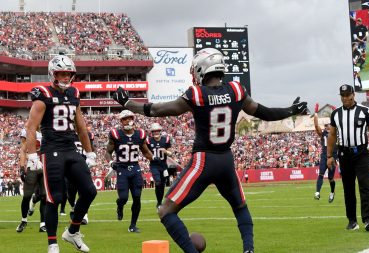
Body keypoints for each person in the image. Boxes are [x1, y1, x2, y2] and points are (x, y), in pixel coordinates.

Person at [112, 47, 309, 253]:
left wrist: (127, 103)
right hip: (226, 160)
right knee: (240, 207)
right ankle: (249, 250)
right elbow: (264, 112)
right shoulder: (236, 90)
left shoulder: (197, 94)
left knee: (165, 211)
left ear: (201, 69)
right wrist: (290, 110)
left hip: (203, 161)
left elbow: (157, 110)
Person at [26, 55, 97, 253]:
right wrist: (32, 155)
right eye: (61, 73)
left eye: (68, 73)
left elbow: (81, 126)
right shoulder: (43, 94)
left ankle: (72, 232)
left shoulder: (74, 92)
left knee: (90, 191)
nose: (65, 77)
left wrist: (89, 152)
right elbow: (31, 126)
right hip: (51, 150)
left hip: (71, 149)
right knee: (54, 198)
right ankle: (52, 244)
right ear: (52, 74)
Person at [326, 84, 369, 232]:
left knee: (364, 186)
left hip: (361, 152)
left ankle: (368, 219)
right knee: (348, 188)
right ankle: (352, 221)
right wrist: (330, 155)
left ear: (353, 94)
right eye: (343, 96)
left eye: (348, 95)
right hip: (344, 154)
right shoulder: (336, 114)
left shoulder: (365, 111)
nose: (345, 98)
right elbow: (332, 135)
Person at [105, 110, 154, 233]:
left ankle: (132, 225)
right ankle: (119, 206)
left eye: (130, 118)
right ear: (121, 121)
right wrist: (111, 163)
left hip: (135, 169)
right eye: (125, 118)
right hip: (122, 169)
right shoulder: (116, 134)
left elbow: (146, 151)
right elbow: (108, 152)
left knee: (137, 197)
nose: (128, 120)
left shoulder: (140, 134)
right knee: (123, 198)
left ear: (133, 119)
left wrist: (155, 159)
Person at [16, 127, 47, 233]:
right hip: (32, 166)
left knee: (44, 196)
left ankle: (43, 224)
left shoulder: (47, 128)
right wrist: (21, 168)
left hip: (44, 165)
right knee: (27, 196)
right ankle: (24, 220)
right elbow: (23, 150)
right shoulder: (27, 130)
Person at [313, 106, 337, 203]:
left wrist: (336, 111)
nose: (326, 126)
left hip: (333, 157)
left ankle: (332, 192)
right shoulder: (323, 134)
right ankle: (317, 192)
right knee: (321, 174)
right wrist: (315, 113)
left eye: (328, 124)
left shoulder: (336, 133)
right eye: (326, 125)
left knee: (331, 178)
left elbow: (340, 122)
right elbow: (316, 126)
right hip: (324, 156)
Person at [146, 122, 173, 209]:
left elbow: (170, 153)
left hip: (163, 166)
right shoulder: (148, 141)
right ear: (152, 132)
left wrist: (165, 151)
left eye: (157, 131)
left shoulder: (166, 139)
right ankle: (159, 202)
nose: (156, 133)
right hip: (154, 165)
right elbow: (146, 153)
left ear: (160, 131)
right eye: (154, 131)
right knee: (157, 182)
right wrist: (152, 157)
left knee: (162, 185)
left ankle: (159, 201)